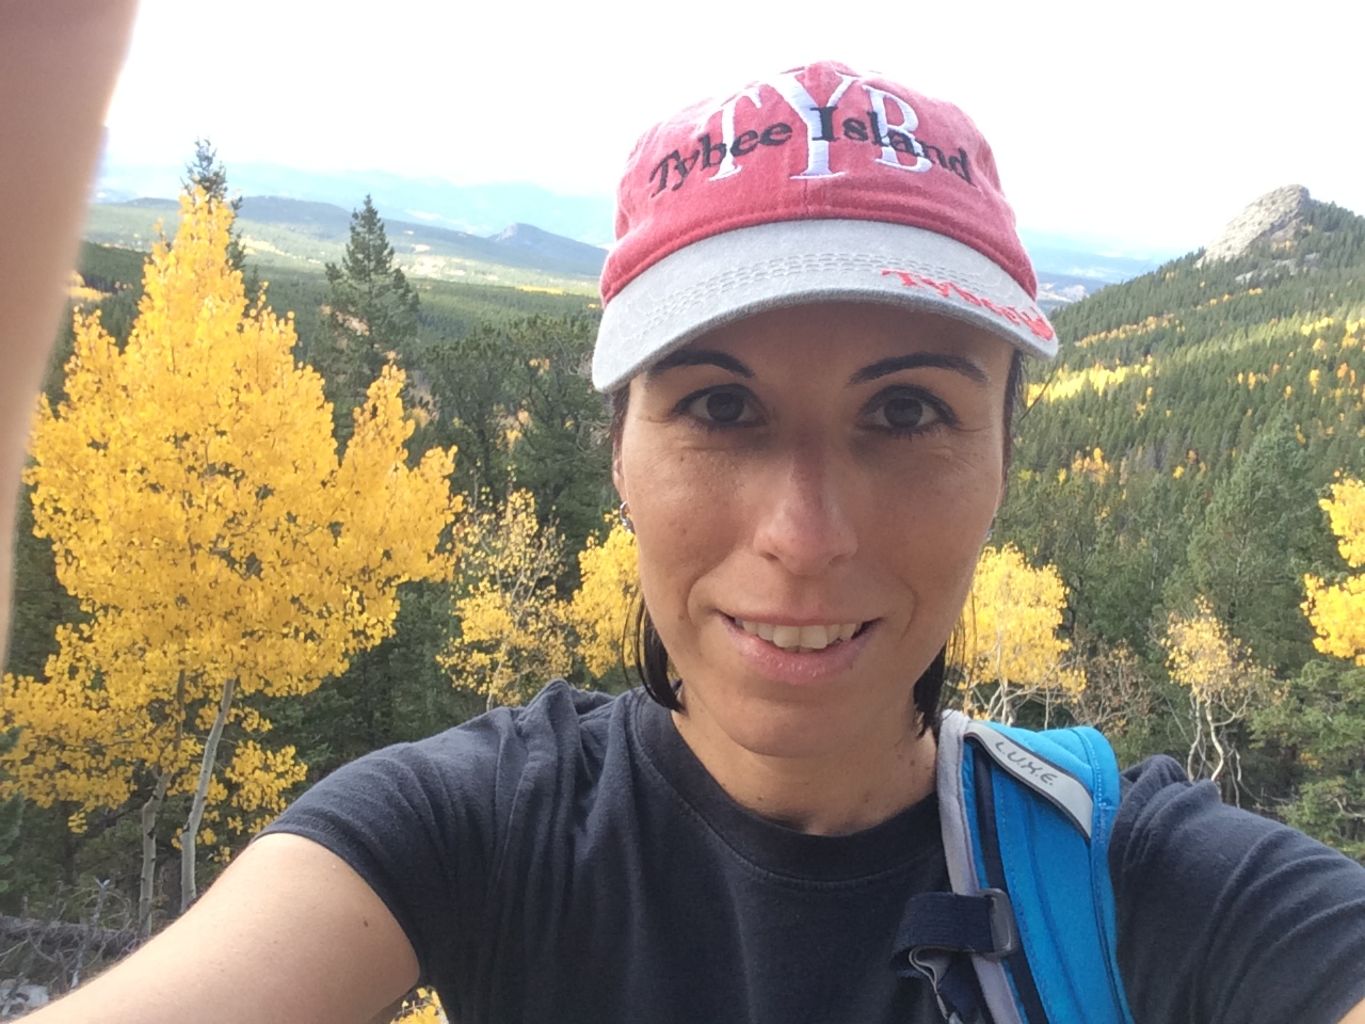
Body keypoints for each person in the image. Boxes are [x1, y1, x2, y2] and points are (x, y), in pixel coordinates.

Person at [17, 60, 1365, 1024]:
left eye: (906, 412)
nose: (802, 535)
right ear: (618, 450)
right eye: (718, 408)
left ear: (1005, 455)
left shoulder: (1158, 884)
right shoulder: (473, 832)